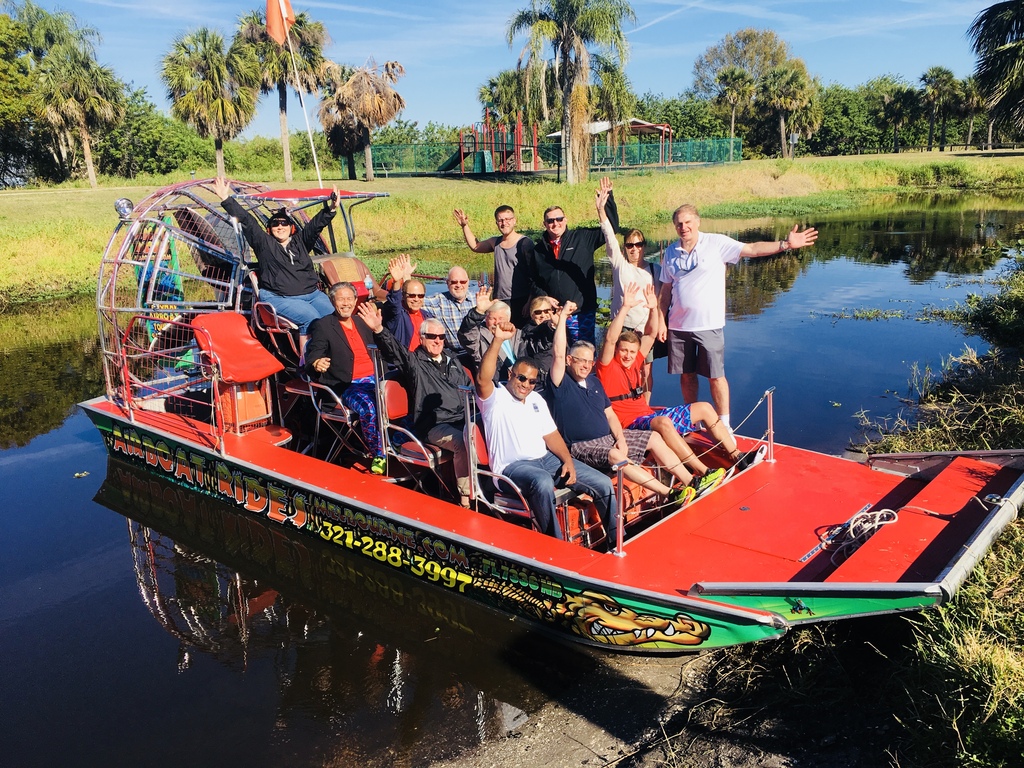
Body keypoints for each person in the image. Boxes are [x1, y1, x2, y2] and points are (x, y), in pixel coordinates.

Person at [658, 204, 818, 430]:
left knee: (716, 376)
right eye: (679, 224)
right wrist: (659, 320)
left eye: (688, 222)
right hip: (678, 325)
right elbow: (665, 290)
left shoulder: (716, 243)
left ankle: (724, 423)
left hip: (709, 325)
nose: (684, 227)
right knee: (686, 376)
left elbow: (752, 248)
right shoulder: (671, 252)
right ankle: (691, 420)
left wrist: (785, 245)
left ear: (698, 222)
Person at [599, 284, 753, 496]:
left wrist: (654, 309)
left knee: (705, 408)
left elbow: (651, 334)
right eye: (623, 350)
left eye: (631, 351)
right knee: (663, 422)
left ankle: (738, 457)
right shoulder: (607, 367)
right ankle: (703, 472)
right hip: (631, 425)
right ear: (617, 350)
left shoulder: (635, 362)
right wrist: (625, 307)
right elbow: (609, 339)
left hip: (647, 416)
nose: (627, 355)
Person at [545, 300, 698, 510]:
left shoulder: (594, 382)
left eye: (589, 362)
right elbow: (558, 352)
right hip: (581, 446)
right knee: (616, 455)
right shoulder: (561, 383)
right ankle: (670, 494)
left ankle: (692, 482)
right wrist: (562, 317)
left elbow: (610, 415)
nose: (586, 366)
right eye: (581, 361)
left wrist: (620, 439)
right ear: (570, 360)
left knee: (653, 437)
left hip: (608, 438)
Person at [475, 321, 616, 541]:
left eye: (532, 381)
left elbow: (551, 435)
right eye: (521, 378)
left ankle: (617, 539)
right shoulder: (495, 398)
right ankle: (554, 543)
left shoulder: (536, 399)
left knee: (603, 483)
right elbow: (483, 378)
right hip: (512, 468)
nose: (526, 384)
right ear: (511, 374)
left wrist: (567, 461)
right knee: (542, 481)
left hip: (546, 460)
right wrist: (498, 340)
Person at [355, 303, 473, 507]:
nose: (437, 341)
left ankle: (491, 488)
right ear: (421, 338)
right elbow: (394, 351)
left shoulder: (453, 360)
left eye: (441, 337)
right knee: (462, 441)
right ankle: (466, 500)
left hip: (463, 418)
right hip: (434, 426)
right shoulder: (414, 363)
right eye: (432, 336)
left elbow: (470, 390)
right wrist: (378, 330)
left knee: (487, 432)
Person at [213, 177, 335, 353]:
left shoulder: (300, 242)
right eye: (275, 224)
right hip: (281, 297)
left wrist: (331, 209)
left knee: (333, 317)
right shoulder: (264, 244)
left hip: (312, 295)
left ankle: (336, 358)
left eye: (284, 223)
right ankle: (308, 365)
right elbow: (248, 221)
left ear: (291, 227)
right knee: (311, 318)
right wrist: (226, 199)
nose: (280, 226)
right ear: (269, 229)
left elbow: (315, 226)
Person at [305, 282, 386, 475]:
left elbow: (384, 346)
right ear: (332, 301)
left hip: (376, 378)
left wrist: (379, 328)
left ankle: (397, 444)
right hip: (348, 385)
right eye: (341, 299)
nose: (346, 303)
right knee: (369, 407)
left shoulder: (362, 321)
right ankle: (379, 453)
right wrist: (317, 363)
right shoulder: (323, 326)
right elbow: (312, 357)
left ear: (356, 301)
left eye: (350, 299)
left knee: (401, 398)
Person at [526, 176, 619, 343]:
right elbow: (533, 281)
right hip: (553, 314)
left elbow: (612, 228)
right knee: (556, 356)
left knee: (583, 354)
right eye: (551, 221)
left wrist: (607, 203)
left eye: (559, 219)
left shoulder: (582, 238)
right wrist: (544, 297)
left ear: (565, 220)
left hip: (581, 312)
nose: (555, 223)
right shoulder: (538, 250)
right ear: (545, 224)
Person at [596, 184, 661, 400]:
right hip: (622, 327)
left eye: (639, 244)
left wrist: (662, 324)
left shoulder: (655, 270)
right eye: (630, 245)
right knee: (615, 370)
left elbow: (659, 302)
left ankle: (644, 407)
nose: (635, 249)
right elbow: (609, 238)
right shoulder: (620, 265)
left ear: (644, 246)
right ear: (625, 248)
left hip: (645, 330)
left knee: (646, 371)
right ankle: (616, 403)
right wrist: (601, 211)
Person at [452, 205, 533, 324]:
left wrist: (530, 301)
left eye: (507, 219)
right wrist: (465, 226)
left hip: (521, 299)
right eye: (500, 220)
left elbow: (534, 275)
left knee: (519, 336)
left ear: (514, 220)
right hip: (499, 299)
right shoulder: (496, 242)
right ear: (496, 223)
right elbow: (476, 246)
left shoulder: (525, 243)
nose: (504, 223)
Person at [458, 289, 522, 384]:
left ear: (508, 319)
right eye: (492, 319)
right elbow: (466, 334)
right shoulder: (479, 336)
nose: (496, 323)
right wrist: (478, 312)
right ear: (486, 319)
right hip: (496, 385)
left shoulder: (517, 334)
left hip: (522, 383)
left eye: (501, 318)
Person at [423, 265, 475, 363]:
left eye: (462, 282)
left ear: (468, 282)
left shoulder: (477, 299)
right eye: (454, 282)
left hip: (477, 352)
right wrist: (406, 277)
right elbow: (414, 300)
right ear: (447, 283)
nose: (458, 285)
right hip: (454, 355)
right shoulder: (439, 300)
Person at [382, 253, 434, 351]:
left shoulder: (427, 316)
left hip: (426, 361)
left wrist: (406, 276)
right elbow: (394, 304)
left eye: (420, 296)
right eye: (412, 296)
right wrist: (397, 282)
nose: (416, 299)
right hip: (406, 362)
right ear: (403, 296)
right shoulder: (397, 316)